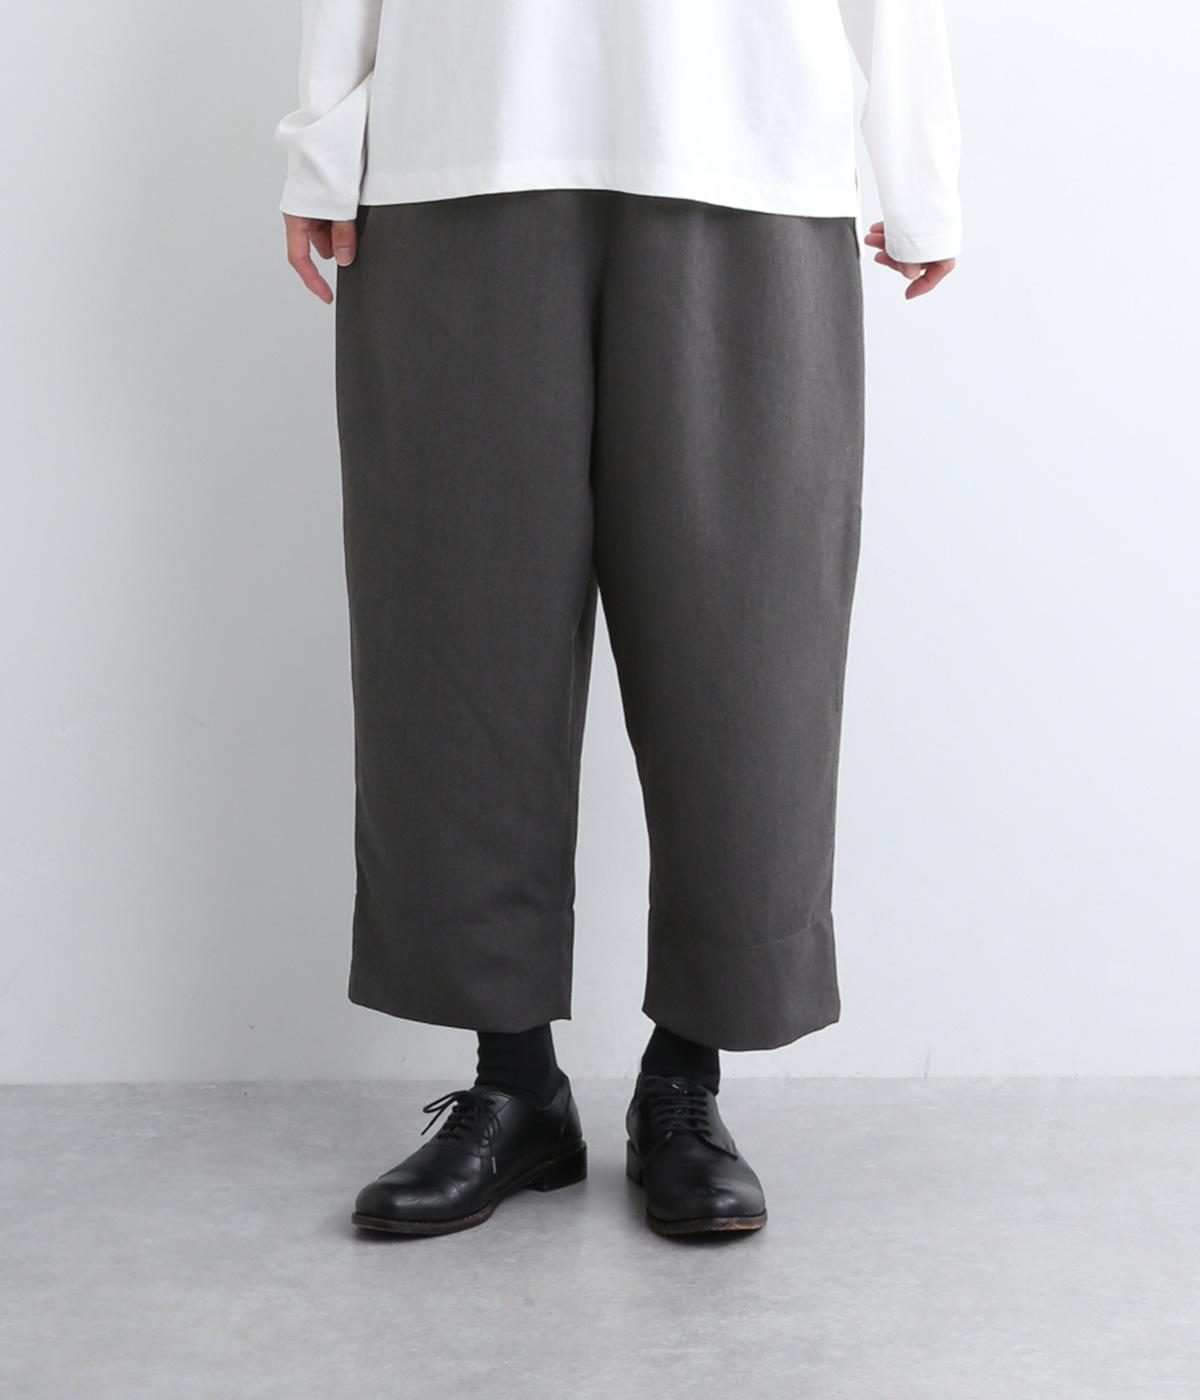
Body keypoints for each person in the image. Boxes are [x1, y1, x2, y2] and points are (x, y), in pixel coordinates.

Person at [274, 0, 962, 1239]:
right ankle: (514, 1084)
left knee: (750, 654)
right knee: (454, 633)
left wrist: (917, 171)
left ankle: (685, 1077)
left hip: (744, 143)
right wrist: (326, 137)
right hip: (461, 140)